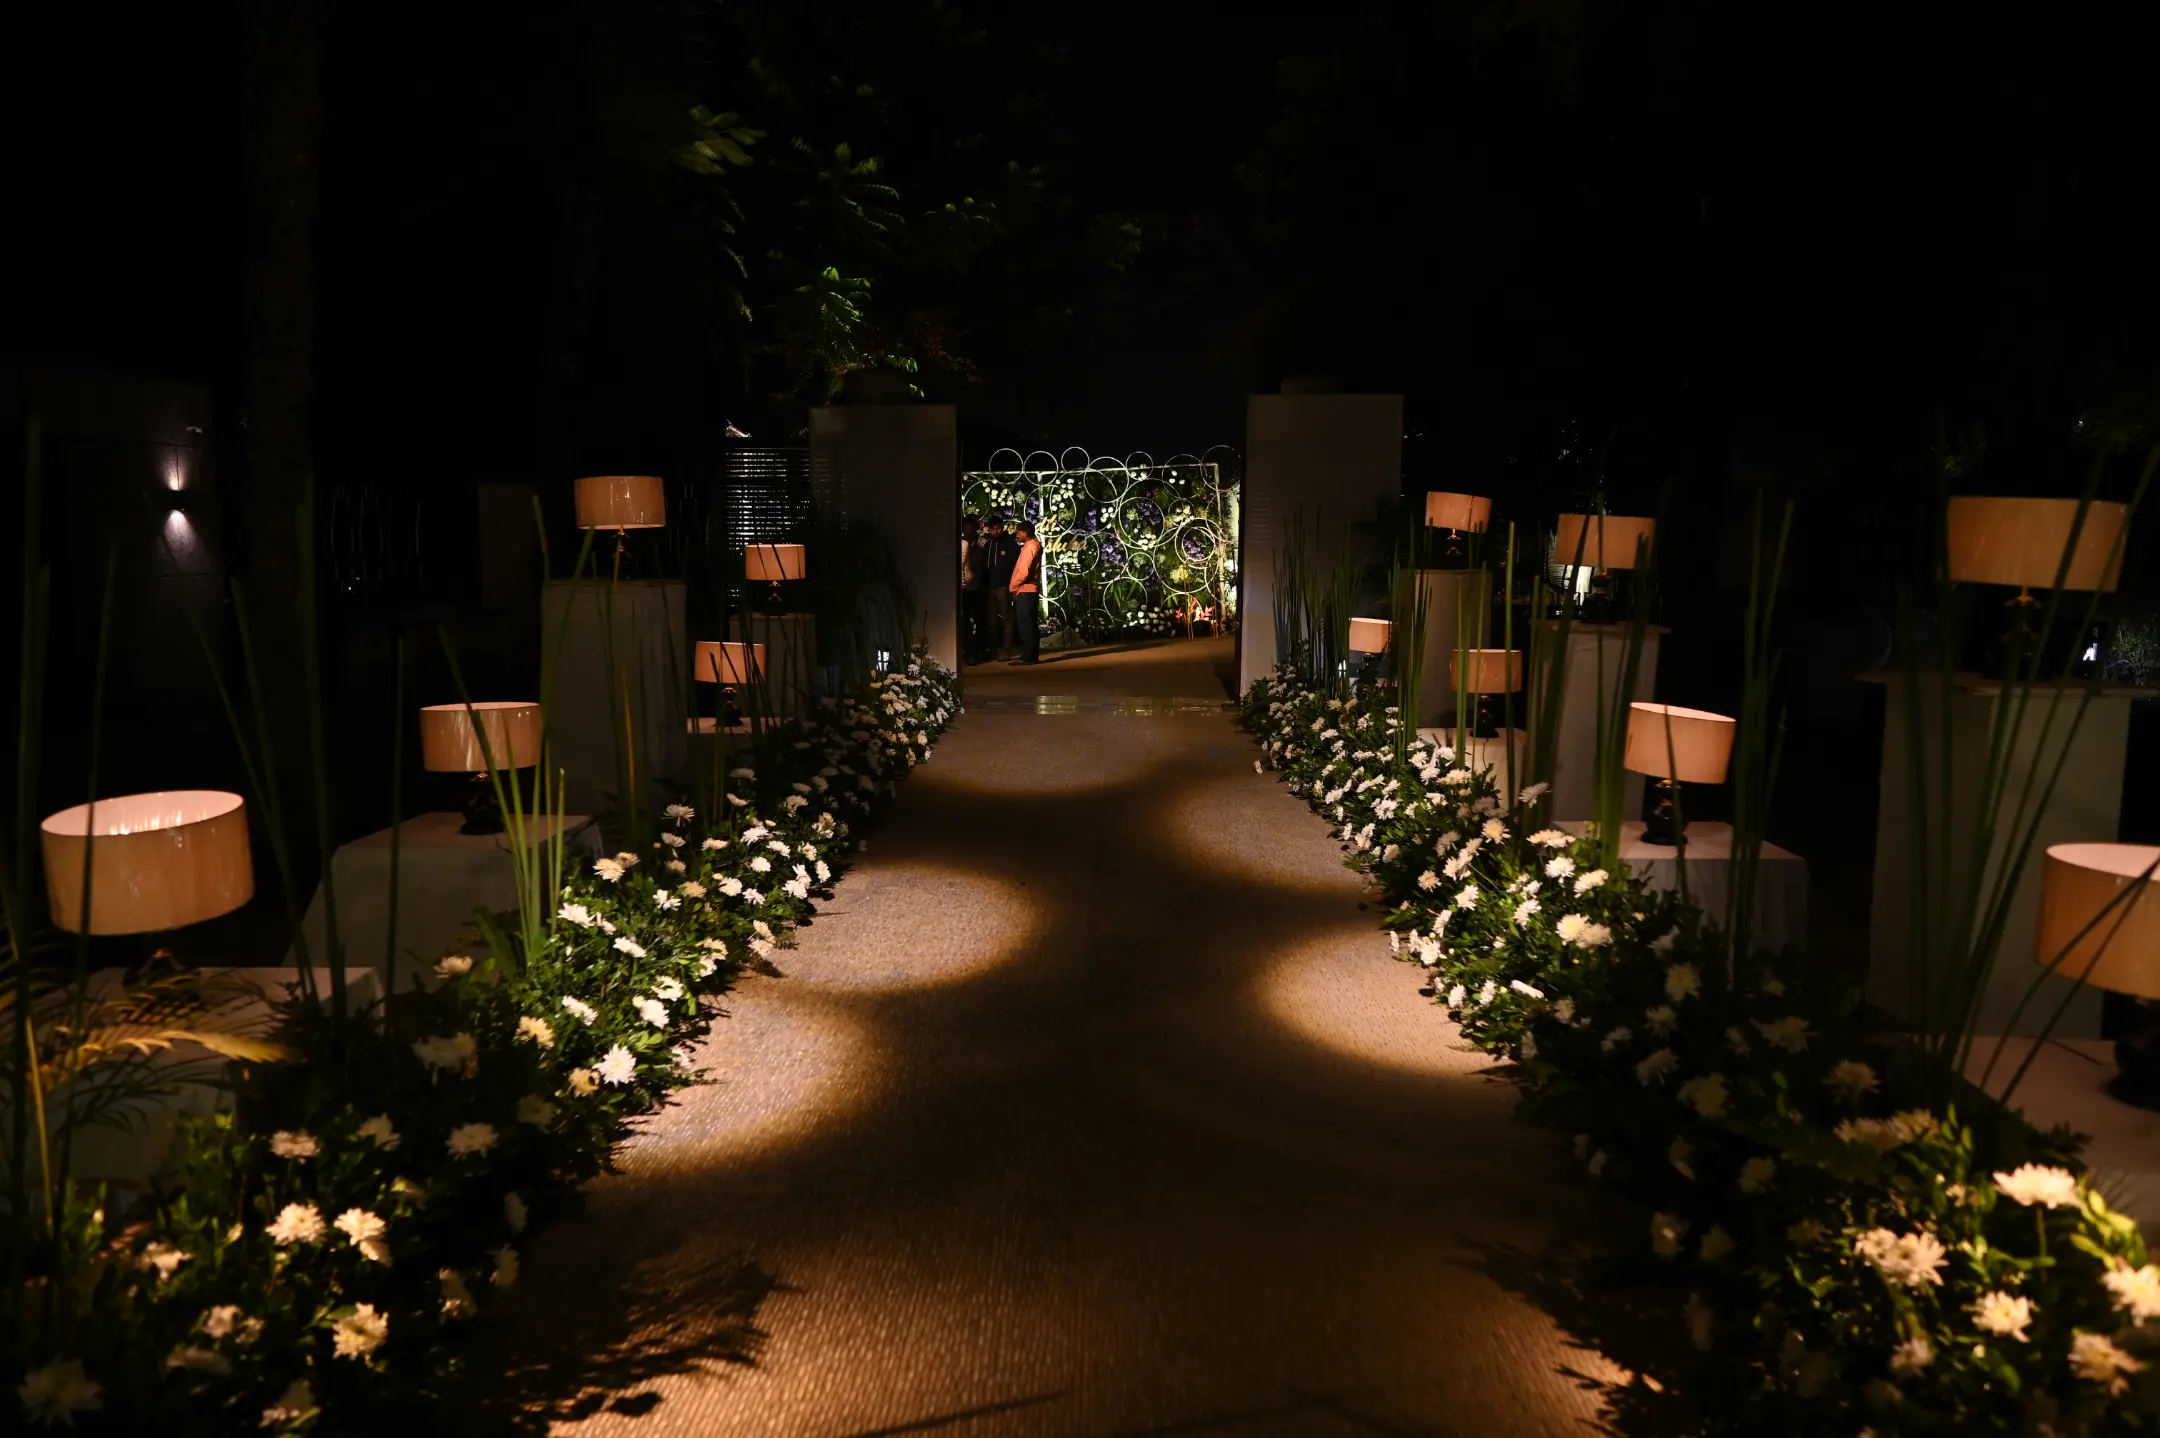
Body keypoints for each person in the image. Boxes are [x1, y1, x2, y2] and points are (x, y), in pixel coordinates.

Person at [983, 515, 1020, 659]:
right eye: (992, 529)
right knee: (991, 621)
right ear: (989, 529)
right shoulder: (988, 544)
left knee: (1006, 618)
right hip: (990, 587)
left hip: (1004, 586)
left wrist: (1012, 583)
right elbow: (984, 565)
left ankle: (1007, 650)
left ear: (1002, 527)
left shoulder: (1010, 544)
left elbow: (1015, 565)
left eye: (997, 528)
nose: (995, 531)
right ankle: (994, 651)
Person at [1009, 518, 1042, 664]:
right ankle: (1031, 656)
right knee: (1030, 624)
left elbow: (1023, 572)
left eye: (1019, 532)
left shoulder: (1030, 547)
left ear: (1025, 533)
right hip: (1029, 590)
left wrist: (1013, 586)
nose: (1017, 535)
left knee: (1026, 625)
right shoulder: (1033, 545)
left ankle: (1028, 657)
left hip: (1026, 590)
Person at [959, 515, 989, 663]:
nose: (968, 530)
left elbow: (985, 565)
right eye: (966, 527)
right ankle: (969, 651)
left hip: (978, 586)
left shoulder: (982, 543)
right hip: (966, 587)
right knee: (965, 621)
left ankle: (977, 651)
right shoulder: (961, 543)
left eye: (971, 527)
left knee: (979, 620)